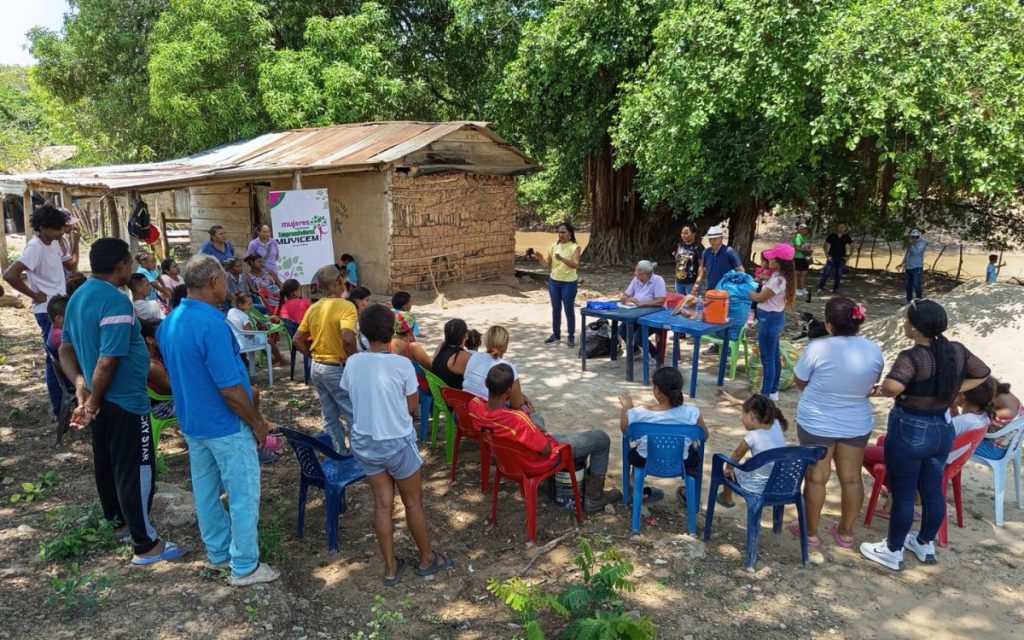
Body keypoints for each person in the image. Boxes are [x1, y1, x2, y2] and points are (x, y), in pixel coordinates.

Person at [58, 238, 186, 566]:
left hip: (100, 400)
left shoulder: (77, 298)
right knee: (137, 469)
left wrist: (81, 388)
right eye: (129, 263)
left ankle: (119, 525)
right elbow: (107, 361)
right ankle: (146, 545)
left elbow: (66, 351)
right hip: (124, 402)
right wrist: (92, 397)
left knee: (107, 464)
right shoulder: (115, 301)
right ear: (120, 267)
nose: (132, 268)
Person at [157, 254, 279, 585]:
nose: (226, 284)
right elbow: (231, 391)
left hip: (194, 423)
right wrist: (256, 422)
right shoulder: (212, 324)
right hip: (225, 426)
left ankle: (219, 555)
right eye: (224, 279)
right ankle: (245, 567)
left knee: (207, 493)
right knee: (242, 495)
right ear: (215, 282)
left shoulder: (170, 321)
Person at [860, 299, 991, 571]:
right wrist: (951, 388)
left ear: (917, 328)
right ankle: (924, 542)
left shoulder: (912, 356)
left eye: (908, 320)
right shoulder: (956, 350)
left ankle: (893, 549)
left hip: (911, 428)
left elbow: (893, 386)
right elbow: (983, 373)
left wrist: (883, 388)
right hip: (942, 430)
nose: (905, 324)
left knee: (905, 493)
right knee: (932, 490)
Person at [341, 304, 452, 585]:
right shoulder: (401, 364)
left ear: (363, 334)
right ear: (391, 332)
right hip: (398, 443)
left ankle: (390, 568)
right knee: (413, 502)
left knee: (382, 504)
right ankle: (427, 558)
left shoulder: (353, 362)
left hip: (365, 444)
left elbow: (352, 395)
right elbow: (412, 406)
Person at [791, 297, 884, 548]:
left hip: (816, 421)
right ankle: (846, 532)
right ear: (859, 323)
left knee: (816, 478)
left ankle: (810, 532)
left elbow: (800, 380)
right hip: (856, 421)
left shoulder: (817, 348)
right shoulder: (873, 349)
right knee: (852, 479)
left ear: (829, 324)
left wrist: (821, 392)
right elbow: (870, 384)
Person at [468, 364, 621, 513]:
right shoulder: (518, 419)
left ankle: (536, 427)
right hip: (536, 461)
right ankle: (593, 499)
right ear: (509, 390)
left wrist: (530, 422)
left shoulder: (474, 406)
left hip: (507, 460)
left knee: (535, 416)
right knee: (601, 438)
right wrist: (536, 430)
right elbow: (546, 450)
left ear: (486, 384)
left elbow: (500, 418)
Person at [864, 377, 998, 518]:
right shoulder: (982, 417)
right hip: (943, 460)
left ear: (963, 394)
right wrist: (952, 408)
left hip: (921, 460)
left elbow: (927, 435)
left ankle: (901, 495)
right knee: (882, 440)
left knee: (863, 452)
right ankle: (902, 491)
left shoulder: (964, 421)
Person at [3, 204, 68, 419]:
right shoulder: (35, 246)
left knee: (65, 354)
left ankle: (67, 402)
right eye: (57, 228)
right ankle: (59, 408)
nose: (60, 232)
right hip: (47, 311)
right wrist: (33, 294)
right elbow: (10, 275)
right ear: (43, 227)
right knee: (55, 359)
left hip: (59, 305)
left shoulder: (53, 243)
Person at [294, 265, 359, 452]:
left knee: (329, 415)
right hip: (337, 368)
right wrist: (355, 361)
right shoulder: (346, 306)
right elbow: (347, 338)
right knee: (352, 414)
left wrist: (312, 355)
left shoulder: (313, 308)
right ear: (338, 281)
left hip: (318, 367)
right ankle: (359, 457)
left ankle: (337, 453)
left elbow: (298, 339)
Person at [619, 367, 706, 503]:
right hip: (681, 463)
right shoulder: (691, 413)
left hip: (646, 461)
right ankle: (689, 492)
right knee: (693, 450)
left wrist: (626, 407)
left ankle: (634, 486)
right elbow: (704, 435)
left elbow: (625, 431)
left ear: (657, 390)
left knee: (635, 452)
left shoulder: (639, 413)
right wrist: (692, 441)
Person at [462, 326, 544, 426]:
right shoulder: (507, 368)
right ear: (506, 345)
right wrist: (526, 406)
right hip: (489, 420)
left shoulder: (474, 357)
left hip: (464, 414)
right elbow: (517, 404)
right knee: (534, 416)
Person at [716, 394, 788, 507]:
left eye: (742, 414)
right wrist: (739, 402)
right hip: (778, 480)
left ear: (750, 415)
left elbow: (736, 455)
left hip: (758, 485)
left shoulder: (752, 436)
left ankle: (727, 499)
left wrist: (729, 468)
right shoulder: (776, 423)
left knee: (729, 471)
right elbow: (764, 408)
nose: (740, 417)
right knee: (751, 460)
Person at [747, 244, 795, 400]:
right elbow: (771, 284)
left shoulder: (777, 280)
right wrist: (764, 279)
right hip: (775, 318)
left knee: (767, 359)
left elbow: (759, 298)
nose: (769, 259)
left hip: (769, 320)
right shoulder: (781, 277)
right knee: (774, 356)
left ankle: (765, 394)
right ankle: (773, 391)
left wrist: (748, 290)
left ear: (778, 261)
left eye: (772, 257)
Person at [531, 221, 581, 347]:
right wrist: (540, 258)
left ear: (570, 234)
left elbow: (575, 264)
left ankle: (570, 337)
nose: (561, 235)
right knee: (556, 309)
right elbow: (546, 264)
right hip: (554, 282)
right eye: (559, 232)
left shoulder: (574, 247)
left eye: (563, 232)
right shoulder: (553, 246)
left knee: (569, 310)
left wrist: (562, 259)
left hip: (568, 283)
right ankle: (556, 335)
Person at [619, 260, 666, 355]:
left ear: (645, 273)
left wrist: (641, 303)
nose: (635, 273)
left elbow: (661, 301)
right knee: (622, 330)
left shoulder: (657, 280)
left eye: (637, 271)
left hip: (655, 315)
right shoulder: (636, 279)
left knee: (639, 337)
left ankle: (655, 356)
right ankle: (635, 351)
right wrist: (624, 297)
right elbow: (627, 294)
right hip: (637, 312)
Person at [689, 225, 744, 299]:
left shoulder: (729, 252)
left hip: (727, 291)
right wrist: (697, 284)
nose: (712, 241)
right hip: (710, 289)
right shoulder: (706, 252)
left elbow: (740, 270)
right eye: (710, 239)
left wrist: (737, 288)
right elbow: (703, 269)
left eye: (715, 239)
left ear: (721, 238)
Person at [431, 319, 472, 388]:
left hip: (438, 393)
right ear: (465, 335)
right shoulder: (463, 356)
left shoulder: (441, 346)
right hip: (453, 396)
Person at [815, 222, 852, 296]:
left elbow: (852, 246)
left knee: (838, 275)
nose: (840, 228)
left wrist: (849, 256)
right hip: (831, 257)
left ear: (845, 228)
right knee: (826, 273)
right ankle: (820, 288)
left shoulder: (846, 237)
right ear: (836, 227)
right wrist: (827, 256)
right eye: (839, 227)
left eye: (842, 227)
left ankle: (836, 289)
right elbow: (825, 246)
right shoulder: (832, 236)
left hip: (841, 258)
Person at [672, 223, 703, 295]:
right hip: (679, 282)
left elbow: (701, 266)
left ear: (693, 234)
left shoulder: (698, 247)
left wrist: (698, 281)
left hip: (691, 282)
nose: (683, 235)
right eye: (682, 233)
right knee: (680, 303)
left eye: (686, 233)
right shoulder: (679, 245)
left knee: (690, 304)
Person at [897, 228, 927, 303]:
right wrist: (902, 263)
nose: (910, 238)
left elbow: (916, 253)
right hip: (908, 267)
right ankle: (908, 300)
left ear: (916, 236)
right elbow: (908, 254)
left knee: (916, 284)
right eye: (910, 237)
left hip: (916, 267)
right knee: (908, 284)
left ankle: (919, 299)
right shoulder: (910, 244)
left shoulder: (921, 243)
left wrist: (911, 244)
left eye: (911, 237)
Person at [793, 221, 811, 297]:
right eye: (803, 229)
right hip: (798, 257)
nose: (805, 230)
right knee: (797, 273)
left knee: (803, 273)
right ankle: (795, 289)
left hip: (805, 257)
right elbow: (797, 248)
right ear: (799, 229)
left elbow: (806, 246)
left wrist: (808, 249)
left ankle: (802, 288)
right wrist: (806, 250)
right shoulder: (797, 237)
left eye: (805, 229)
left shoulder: (805, 237)